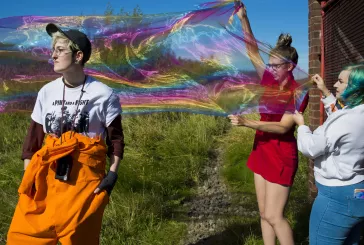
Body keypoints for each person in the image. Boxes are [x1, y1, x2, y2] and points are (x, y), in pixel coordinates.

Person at [7, 23, 125, 245]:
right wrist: (29, 178)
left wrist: (111, 177)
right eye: (53, 50)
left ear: (78, 55)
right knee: (22, 238)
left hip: (84, 184)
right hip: (46, 180)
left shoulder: (104, 95)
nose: (53, 55)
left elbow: (116, 140)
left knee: (78, 240)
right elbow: (32, 141)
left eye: (60, 50)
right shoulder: (46, 92)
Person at [228, 1, 309, 245]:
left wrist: (247, 123)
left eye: (275, 66)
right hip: (261, 148)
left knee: (275, 216)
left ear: (290, 66)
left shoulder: (298, 92)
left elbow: (283, 127)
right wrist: (244, 18)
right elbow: (252, 50)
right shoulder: (268, 78)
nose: (270, 69)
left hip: (281, 154)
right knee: (263, 213)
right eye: (270, 64)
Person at [293, 64, 364, 245]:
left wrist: (301, 126)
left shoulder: (345, 121)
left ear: (356, 87)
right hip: (359, 193)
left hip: (337, 198)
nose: (335, 85)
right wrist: (324, 91)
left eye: (341, 82)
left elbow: (310, 148)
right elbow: (341, 119)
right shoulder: (356, 114)